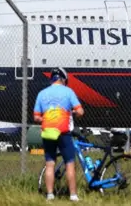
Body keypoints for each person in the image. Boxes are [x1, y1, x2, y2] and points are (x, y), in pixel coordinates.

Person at [33, 67, 84, 201]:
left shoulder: (42, 94)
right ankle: (73, 195)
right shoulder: (68, 92)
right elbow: (80, 111)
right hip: (63, 132)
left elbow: (36, 117)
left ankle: (50, 195)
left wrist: (47, 119)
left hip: (48, 132)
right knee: (70, 163)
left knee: (50, 163)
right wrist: (72, 113)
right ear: (63, 79)